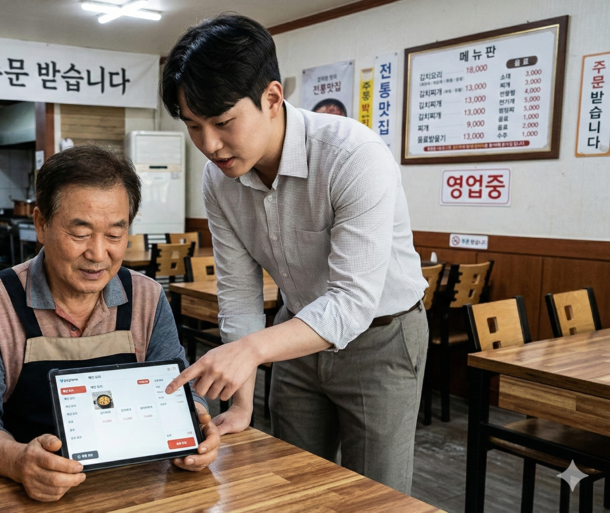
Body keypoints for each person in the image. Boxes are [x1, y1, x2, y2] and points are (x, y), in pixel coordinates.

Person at [160, 14, 429, 494]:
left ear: (271, 98)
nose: (210, 145)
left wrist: (250, 351)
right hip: (293, 339)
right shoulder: (218, 180)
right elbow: (240, 293)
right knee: (291, 482)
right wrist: (241, 402)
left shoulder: (353, 156)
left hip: (381, 340)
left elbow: (352, 303)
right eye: (193, 126)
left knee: (376, 495)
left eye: (223, 122)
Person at [0, 145, 219, 502]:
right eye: (80, 234)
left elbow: (179, 387)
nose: (98, 253)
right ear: (41, 224)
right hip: (27, 496)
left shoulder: (147, 297)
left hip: (132, 488)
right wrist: (18, 461)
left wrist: (195, 420)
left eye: (115, 235)